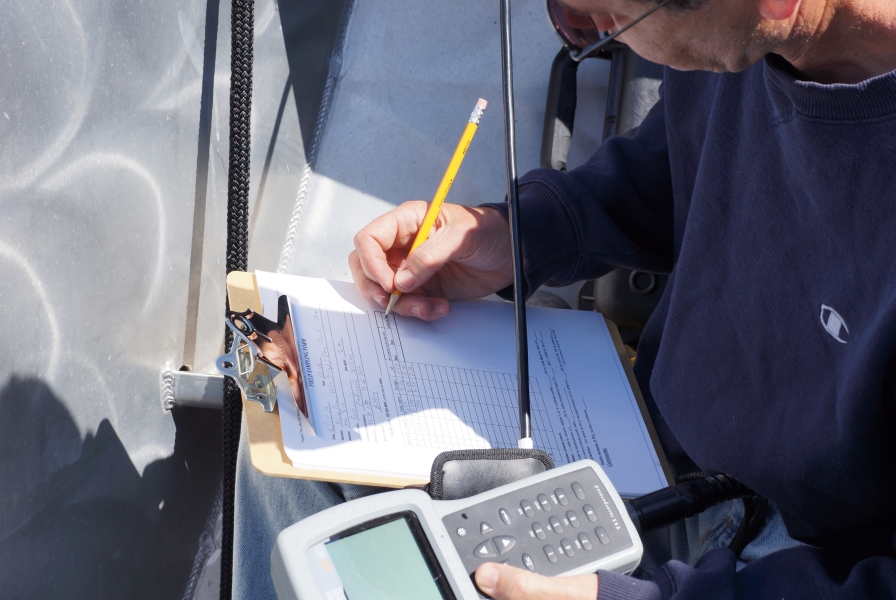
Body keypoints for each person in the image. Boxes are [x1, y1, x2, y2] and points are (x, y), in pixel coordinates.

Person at [233, 0, 896, 598]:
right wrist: (515, 236)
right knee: (293, 462)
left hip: (810, 559)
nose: (592, 30)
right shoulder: (735, 41)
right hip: (653, 454)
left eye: (606, 15)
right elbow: (682, 162)